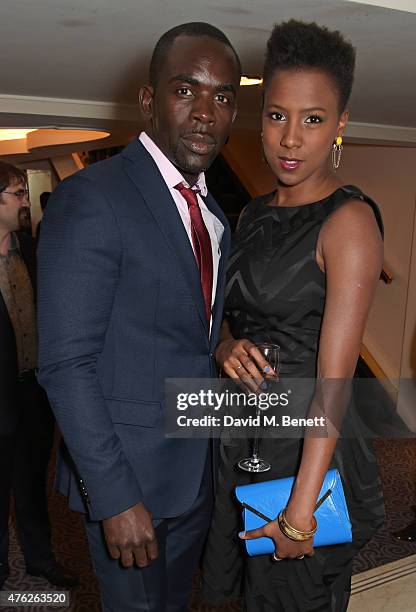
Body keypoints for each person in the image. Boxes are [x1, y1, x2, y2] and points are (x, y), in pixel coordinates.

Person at [37, 22, 241, 612]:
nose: (206, 112)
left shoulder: (212, 212)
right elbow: (65, 365)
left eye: (223, 96)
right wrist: (115, 497)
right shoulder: (93, 198)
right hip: (131, 487)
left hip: (194, 467)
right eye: (186, 91)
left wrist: (222, 340)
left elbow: (186, 326)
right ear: (149, 100)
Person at [202, 20, 385, 612]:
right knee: (255, 595)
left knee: (294, 596)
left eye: (312, 119)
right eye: (278, 115)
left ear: (339, 126)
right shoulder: (251, 215)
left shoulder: (349, 220)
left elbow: (336, 382)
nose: (289, 138)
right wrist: (226, 343)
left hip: (309, 450)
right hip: (246, 430)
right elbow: (227, 314)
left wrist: (300, 513)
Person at [0, 161, 77, 590]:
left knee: (33, 484)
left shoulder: (32, 249)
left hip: (35, 392)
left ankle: (40, 559)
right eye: (16, 193)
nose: (25, 201)